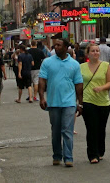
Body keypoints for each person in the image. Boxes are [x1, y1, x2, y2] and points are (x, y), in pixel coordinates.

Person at [38, 38, 83, 167]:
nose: (55, 47)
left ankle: (68, 157)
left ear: (66, 47)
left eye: (58, 45)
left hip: (69, 102)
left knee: (67, 130)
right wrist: (42, 97)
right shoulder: (47, 62)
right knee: (56, 131)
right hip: (53, 102)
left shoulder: (74, 64)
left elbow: (79, 84)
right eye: (55, 45)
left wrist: (80, 103)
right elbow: (42, 80)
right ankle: (57, 155)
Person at [81, 44, 110, 163]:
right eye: (93, 51)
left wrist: (101, 88)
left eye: (97, 51)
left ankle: (100, 151)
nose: (95, 53)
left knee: (101, 128)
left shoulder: (105, 66)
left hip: (103, 102)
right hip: (87, 100)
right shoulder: (82, 67)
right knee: (91, 128)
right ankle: (92, 155)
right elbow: (78, 83)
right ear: (88, 53)